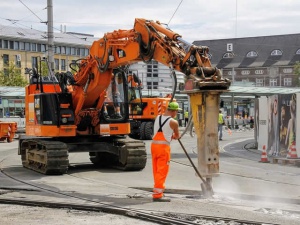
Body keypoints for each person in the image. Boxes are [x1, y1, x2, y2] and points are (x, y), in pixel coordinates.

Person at [151, 101, 181, 202]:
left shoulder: (157, 117)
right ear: (174, 111)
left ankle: (157, 191)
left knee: (156, 169)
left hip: (154, 147)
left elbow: (162, 131)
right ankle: (158, 195)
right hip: (163, 148)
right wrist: (173, 136)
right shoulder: (173, 122)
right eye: (177, 112)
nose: (176, 114)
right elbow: (177, 136)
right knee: (162, 170)